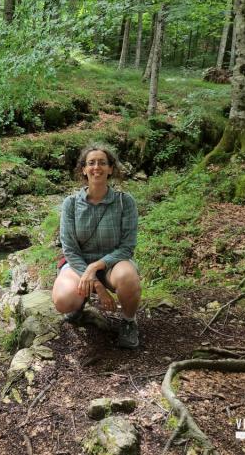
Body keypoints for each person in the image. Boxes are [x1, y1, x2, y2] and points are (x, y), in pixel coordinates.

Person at [51, 144, 141, 349]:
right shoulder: (71, 204)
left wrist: (96, 266)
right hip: (78, 264)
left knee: (128, 278)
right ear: (83, 169)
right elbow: (70, 249)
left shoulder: (124, 202)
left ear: (110, 169)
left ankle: (129, 322)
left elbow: (127, 247)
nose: (96, 167)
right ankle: (78, 304)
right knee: (63, 300)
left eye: (102, 163)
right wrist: (97, 285)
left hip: (113, 263)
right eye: (91, 163)